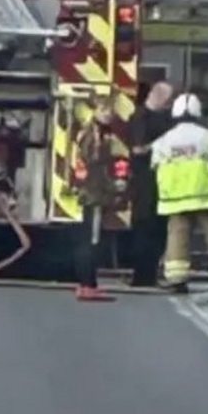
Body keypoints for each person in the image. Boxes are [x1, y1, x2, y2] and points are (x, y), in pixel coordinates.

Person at [152, 92, 208, 293]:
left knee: (177, 237)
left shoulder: (163, 140)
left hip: (175, 198)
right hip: (204, 194)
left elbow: (155, 164)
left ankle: (177, 279)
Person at [72, 100, 127, 302]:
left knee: (91, 239)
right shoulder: (93, 136)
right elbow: (95, 166)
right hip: (94, 195)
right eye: (104, 110)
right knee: (91, 240)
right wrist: (113, 187)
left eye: (111, 110)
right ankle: (87, 285)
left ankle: (88, 283)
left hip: (94, 193)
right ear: (95, 111)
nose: (109, 114)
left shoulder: (99, 133)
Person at [128, 81, 174, 287]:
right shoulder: (140, 117)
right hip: (144, 183)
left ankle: (151, 273)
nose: (170, 104)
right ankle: (141, 276)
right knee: (144, 229)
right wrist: (160, 145)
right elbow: (138, 149)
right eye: (168, 100)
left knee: (159, 231)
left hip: (162, 182)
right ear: (160, 98)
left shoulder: (166, 119)